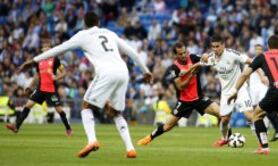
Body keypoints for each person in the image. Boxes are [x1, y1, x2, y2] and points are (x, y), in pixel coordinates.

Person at [17, 12, 153, 159]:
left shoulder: (82, 35)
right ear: (98, 22)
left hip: (106, 72)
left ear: (84, 23)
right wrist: (146, 71)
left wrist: (34, 60)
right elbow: (132, 52)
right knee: (116, 112)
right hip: (123, 72)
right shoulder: (109, 32)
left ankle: (92, 141)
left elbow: (60, 48)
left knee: (86, 107)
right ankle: (130, 149)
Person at [137, 42, 223, 147]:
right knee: (167, 126)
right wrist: (191, 74)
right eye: (180, 54)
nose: (183, 55)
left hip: (199, 98)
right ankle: (149, 138)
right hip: (184, 102)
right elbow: (181, 86)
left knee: (222, 114)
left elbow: (205, 59)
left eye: (184, 52)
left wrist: (205, 56)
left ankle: (226, 139)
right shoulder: (173, 69)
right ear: (175, 55)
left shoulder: (192, 57)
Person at [6, 34, 72, 136]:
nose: (46, 48)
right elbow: (37, 75)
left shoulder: (55, 60)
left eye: (48, 46)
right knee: (28, 105)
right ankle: (16, 127)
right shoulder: (39, 60)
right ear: (42, 49)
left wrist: (57, 77)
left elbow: (64, 72)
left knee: (59, 110)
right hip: (40, 88)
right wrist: (30, 86)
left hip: (51, 90)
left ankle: (68, 128)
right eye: (45, 46)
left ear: (51, 48)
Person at [200, 35, 253, 147]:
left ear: (223, 45)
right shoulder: (211, 57)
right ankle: (224, 139)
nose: (215, 49)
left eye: (217, 46)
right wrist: (202, 57)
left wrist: (258, 73)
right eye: (213, 46)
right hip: (226, 92)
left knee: (249, 115)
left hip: (240, 89)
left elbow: (250, 61)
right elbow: (200, 61)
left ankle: (262, 142)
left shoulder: (232, 54)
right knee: (224, 120)